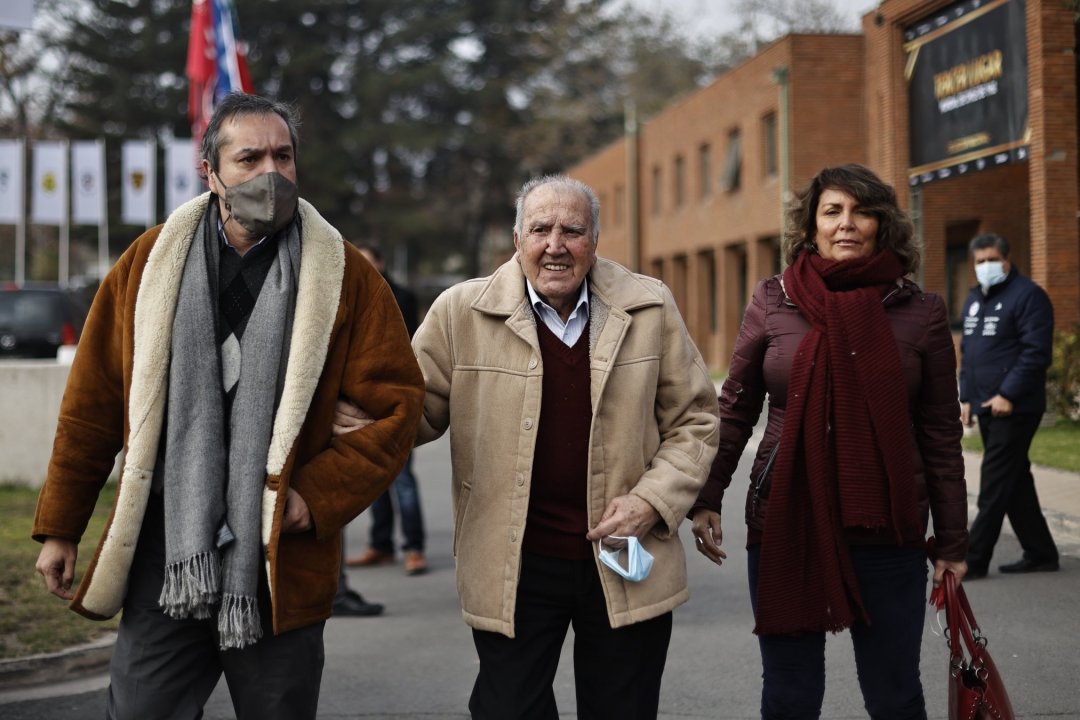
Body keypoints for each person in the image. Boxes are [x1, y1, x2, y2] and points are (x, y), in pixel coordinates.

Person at [32, 92, 424, 719]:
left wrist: (313, 499)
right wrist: (61, 526)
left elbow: (395, 409)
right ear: (209, 171)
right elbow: (92, 403)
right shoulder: (148, 264)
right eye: (249, 158)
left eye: (284, 155)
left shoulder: (345, 274)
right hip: (167, 550)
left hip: (278, 560)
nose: (271, 173)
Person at [398, 174, 717, 719]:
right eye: (540, 229)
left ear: (595, 240)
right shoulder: (460, 311)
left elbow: (695, 418)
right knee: (507, 709)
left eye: (572, 230)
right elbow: (409, 413)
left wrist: (652, 501)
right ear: (517, 237)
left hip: (622, 554)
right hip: (513, 561)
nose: (555, 245)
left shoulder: (648, 304)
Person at [691, 163, 968, 719]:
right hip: (787, 519)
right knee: (790, 693)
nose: (847, 224)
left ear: (882, 224)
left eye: (862, 211)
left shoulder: (922, 312)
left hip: (888, 528)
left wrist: (953, 542)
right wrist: (706, 496)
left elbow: (940, 433)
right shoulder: (773, 299)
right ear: (811, 224)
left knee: (894, 693)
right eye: (832, 211)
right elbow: (736, 406)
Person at [960, 233, 1058, 578]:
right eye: (979, 261)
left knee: (994, 481)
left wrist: (1008, 395)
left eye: (991, 259)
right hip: (985, 403)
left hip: (1014, 407)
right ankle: (1041, 552)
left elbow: (1036, 353)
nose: (985, 266)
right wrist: (966, 397)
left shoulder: (1028, 297)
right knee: (1014, 481)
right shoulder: (974, 299)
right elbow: (968, 354)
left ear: (1006, 259)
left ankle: (973, 560)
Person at [345, 243, 428, 576]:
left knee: (403, 478)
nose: (362, 268)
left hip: (395, 398)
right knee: (374, 478)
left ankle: (414, 548)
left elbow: (406, 348)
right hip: (362, 400)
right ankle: (381, 546)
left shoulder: (400, 296)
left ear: (379, 262)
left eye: (367, 261)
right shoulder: (350, 294)